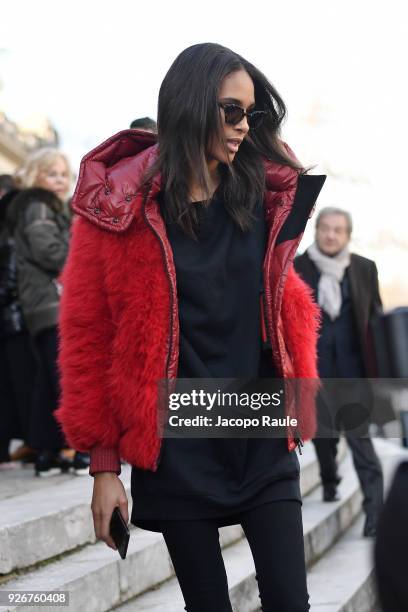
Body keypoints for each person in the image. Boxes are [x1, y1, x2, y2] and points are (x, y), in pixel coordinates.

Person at [55, 43, 326, 611]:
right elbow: (88, 339)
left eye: (251, 114)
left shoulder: (266, 198)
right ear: (191, 104)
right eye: (231, 110)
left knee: (290, 601)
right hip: (178, 444)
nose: (243, 127)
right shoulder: (118, 211)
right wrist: (104, 468)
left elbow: (285, 307)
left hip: (261, 434)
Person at [295, 207, 384, 537]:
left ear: (347, 235)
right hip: (315, 372)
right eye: (326, 228)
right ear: (316, 230)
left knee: (362, 445)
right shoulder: (298, 267)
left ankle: (374, 511)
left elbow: (375, 319)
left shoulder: (364, 268)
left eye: (339, 230)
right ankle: (330, 479)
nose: (331, 235)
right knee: (323, 438)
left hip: (354, 373)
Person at [8, 148, 89, 476]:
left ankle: (47, 449)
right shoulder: (39, 205)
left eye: (63, 174)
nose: (59, 180)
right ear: (35, 176)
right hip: (51, 305)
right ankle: (78, 446)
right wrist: (84, 257)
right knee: (64, 376)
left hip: (42, 305)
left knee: (47, 380)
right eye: (51, 173)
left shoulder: (42, 207)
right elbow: (50, 250)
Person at [0, 175, 37, 468]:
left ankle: (35, 444)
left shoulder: (11, 223)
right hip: (20, 314)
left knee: (18, 385)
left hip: (14, 315)